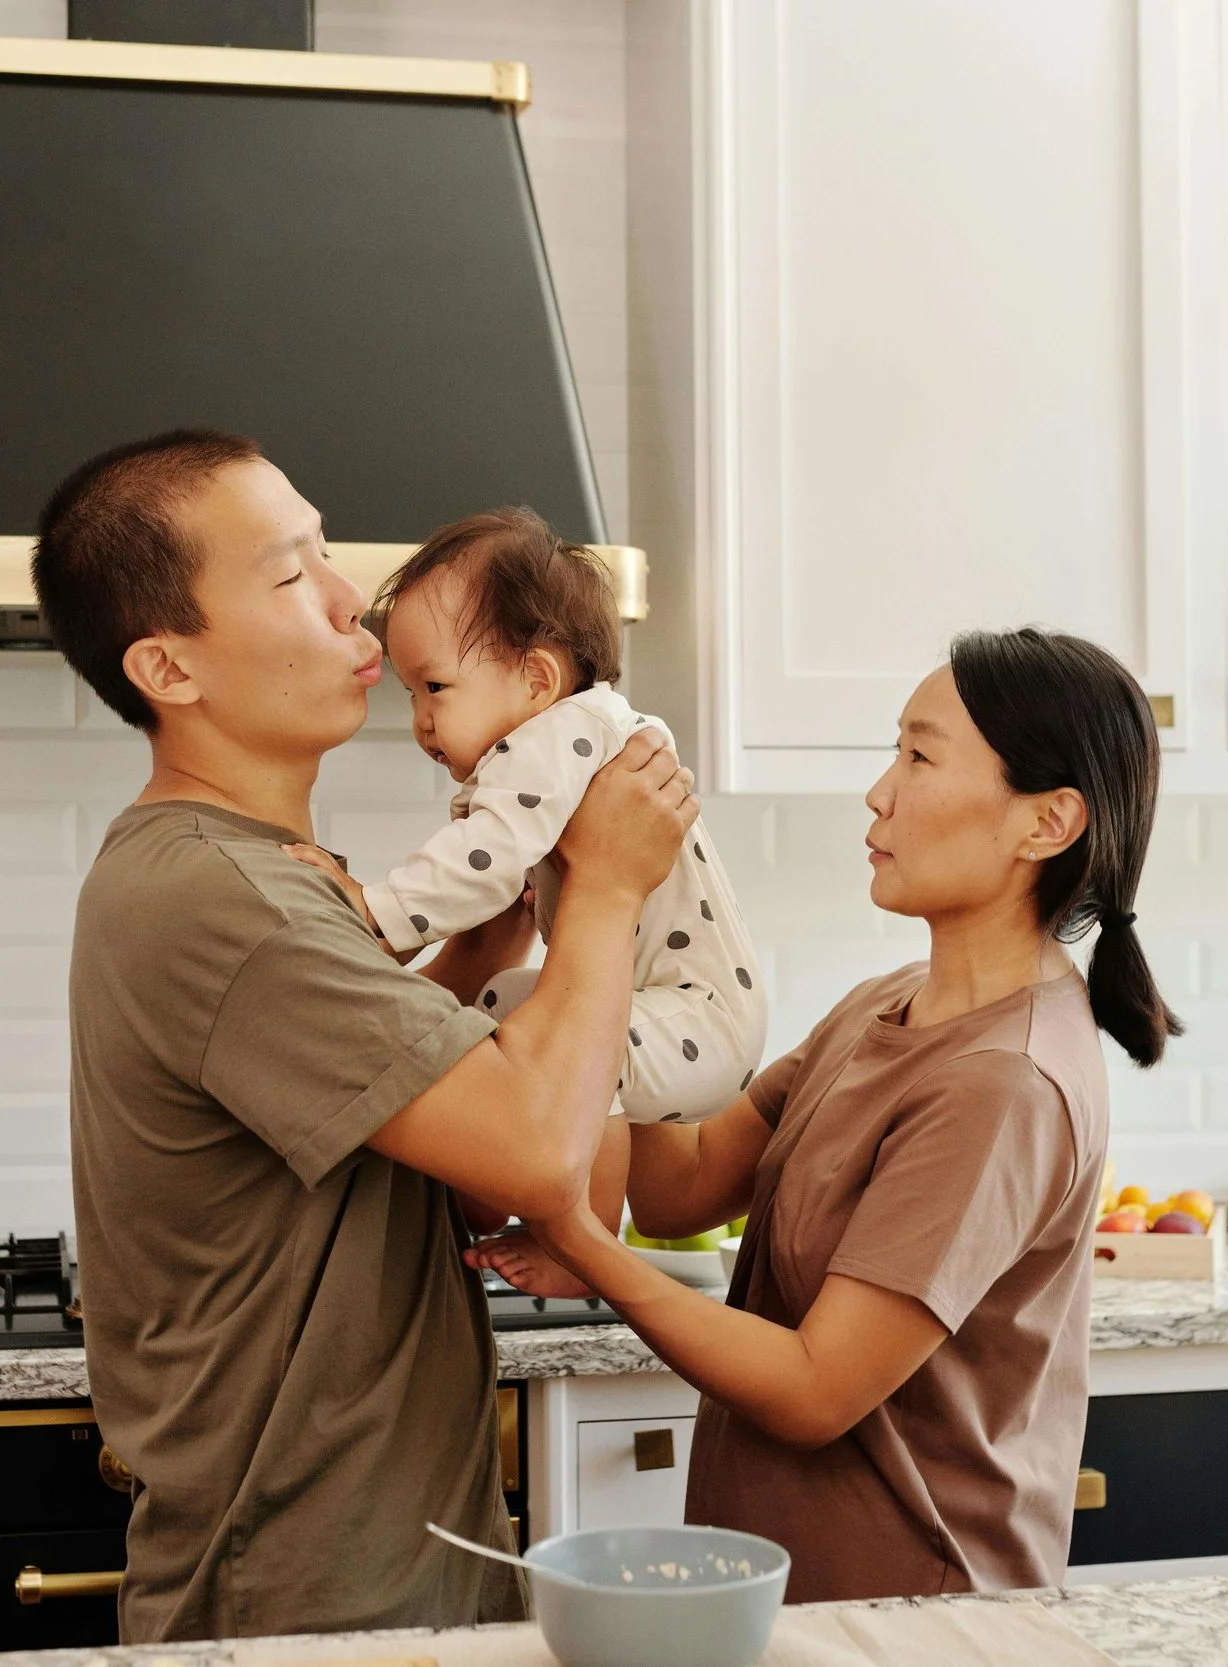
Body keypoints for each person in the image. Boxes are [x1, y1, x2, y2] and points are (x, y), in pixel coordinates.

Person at [27, 431, 696, 1643]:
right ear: (168, 667)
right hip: (307, 1595)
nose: (354, 603)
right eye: (291, 576)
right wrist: (603, 891)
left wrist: (480, 959)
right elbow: (540, 1155)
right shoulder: (223, 896)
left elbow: (390, 1149)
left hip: (375, 1563)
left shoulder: (256, 875)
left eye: (326, 554)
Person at [473, 627, 1178, 1601]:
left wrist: (578, 1239)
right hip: (796, 1599)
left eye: (919, 754)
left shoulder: (1002, 1081)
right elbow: (685, 1181)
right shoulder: (888, 1002)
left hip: (913, 1614)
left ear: (1046, 821)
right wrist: (601, 933)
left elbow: (813, 1386)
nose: (879, 790)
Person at [290, 509, 768, 1132]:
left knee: (575, 1062)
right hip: (669, 1016)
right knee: (506, 1013)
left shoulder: (565, 735)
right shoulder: (561, 749)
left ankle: (571, 1226)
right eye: (411, 694)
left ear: (537, 679)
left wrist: (374, 910)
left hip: (694, 1020)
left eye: (435, 686)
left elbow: (488, 856)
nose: (421, 719)